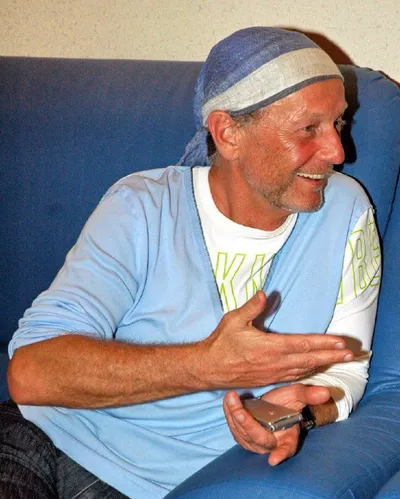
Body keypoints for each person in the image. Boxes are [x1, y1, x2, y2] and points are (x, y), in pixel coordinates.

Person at [2, 27, 380, 499]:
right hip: (46, 435)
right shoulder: (142, 206)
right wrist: (208, 365)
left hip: (167, 482)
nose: (338, 152)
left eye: (338, 122)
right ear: (228, 133)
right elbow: (31, 374)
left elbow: (347, 370)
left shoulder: (346, 211)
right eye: (308, 129)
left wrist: (296, 413)